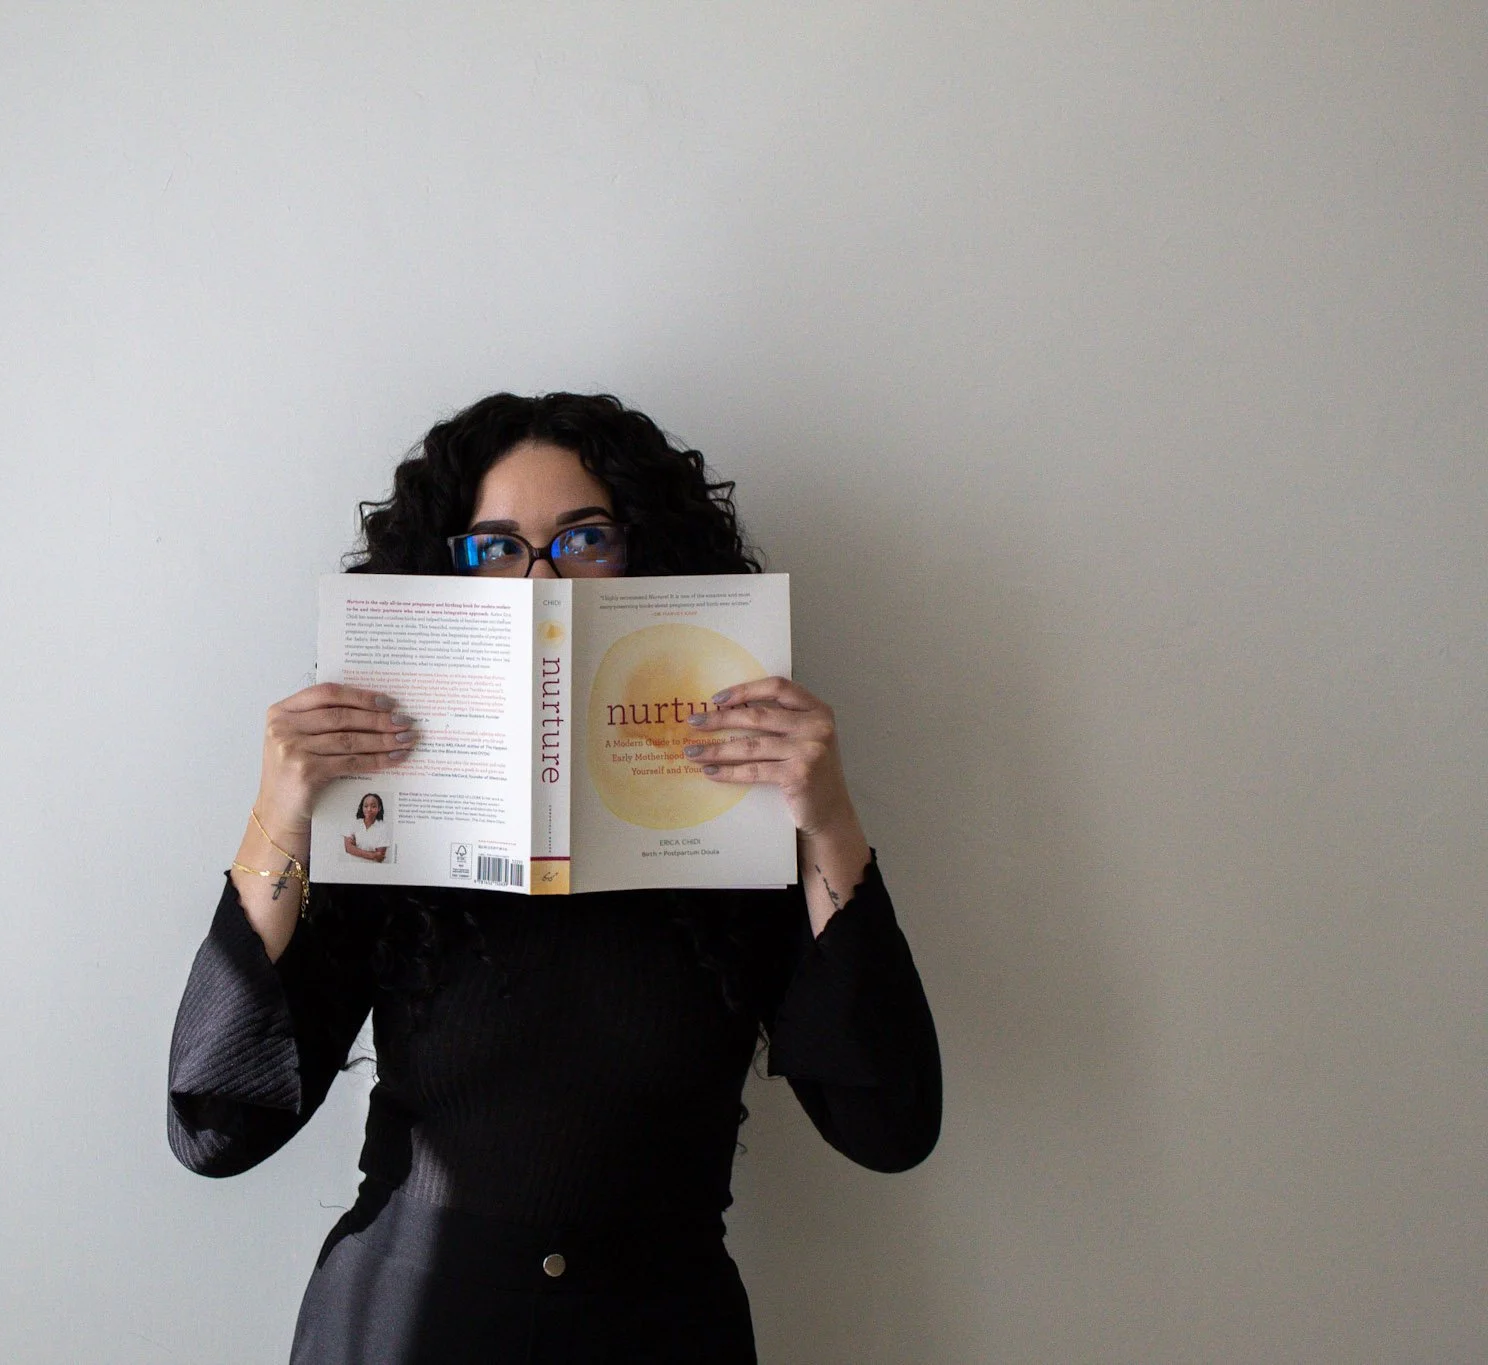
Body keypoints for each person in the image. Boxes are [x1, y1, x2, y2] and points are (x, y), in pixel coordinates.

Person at [166, 392, 942, 1364]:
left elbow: (889, 1125)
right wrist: (278, 812)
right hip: (406, 1331)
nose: (540, 581)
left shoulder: (736, 826)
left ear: (644, 551)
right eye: (494, 548)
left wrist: (823, 817)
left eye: (582, 539)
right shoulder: (387, 825)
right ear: (448, 572)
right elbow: (213, 1130)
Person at [344, 792, 391, 864]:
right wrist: (373, 854)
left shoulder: (383, 828)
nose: (369, 809)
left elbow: (379, 858)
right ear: (362, 807)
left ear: (379, 808)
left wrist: (356, 848)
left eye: (373, 806)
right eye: (366, 806)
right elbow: (348, 848)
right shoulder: (354, 823)